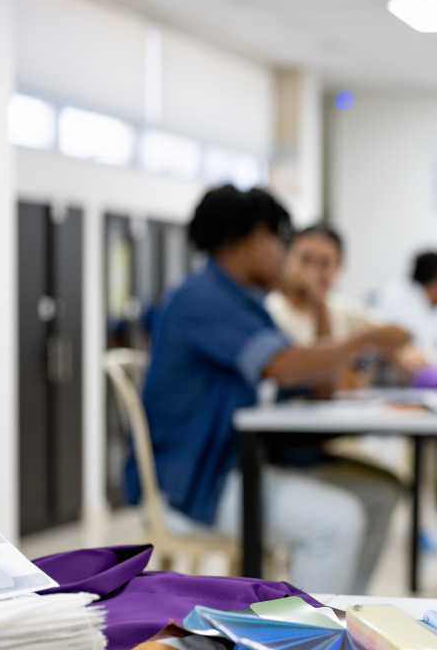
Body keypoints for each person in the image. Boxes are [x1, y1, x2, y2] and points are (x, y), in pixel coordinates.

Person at [126, 185, 413, 595]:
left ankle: (343, 614)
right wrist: (362, 340)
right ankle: (305, 641)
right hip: (195, 484)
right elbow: (286, 367)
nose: (284, 255)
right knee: (337, 522)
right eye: (282, 242)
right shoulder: (202, 299)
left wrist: (319, 306)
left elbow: (317, 388)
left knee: (380, 492)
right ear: (256, 239)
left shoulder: (246, 303)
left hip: (238, 464)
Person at [266, 224, 424, 385]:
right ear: (288, 258)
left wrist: (398, 353)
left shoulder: (344, 308)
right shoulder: (269, 310)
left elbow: (398, 337)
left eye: (324, 264)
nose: (312, 273)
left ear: (338, 268)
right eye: (305, 260)